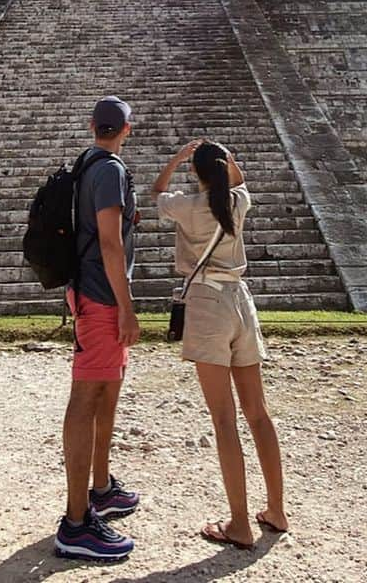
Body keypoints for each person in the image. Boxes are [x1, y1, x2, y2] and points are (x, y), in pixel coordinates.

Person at [153, 139, 289, 550]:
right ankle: (277, 509)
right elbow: (240, 180)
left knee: (224, 420)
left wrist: (177, 159)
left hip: (208, 304)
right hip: (240, 300)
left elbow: (156, 193)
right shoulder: (236, 201)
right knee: (258, 414)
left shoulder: (186, 205)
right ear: (224, 168)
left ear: (195, 172)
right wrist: (228, 160)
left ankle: (240, 524)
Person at [54, 96, 142, 562]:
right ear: (127, 129)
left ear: (93, 126)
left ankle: (101, 487)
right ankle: (75, 523)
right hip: (103, 298)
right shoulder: (108, 169)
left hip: (91, 291)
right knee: (88, 395)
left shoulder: (88, 162)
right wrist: (127, 308)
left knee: (107, 389)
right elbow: (110, 243)